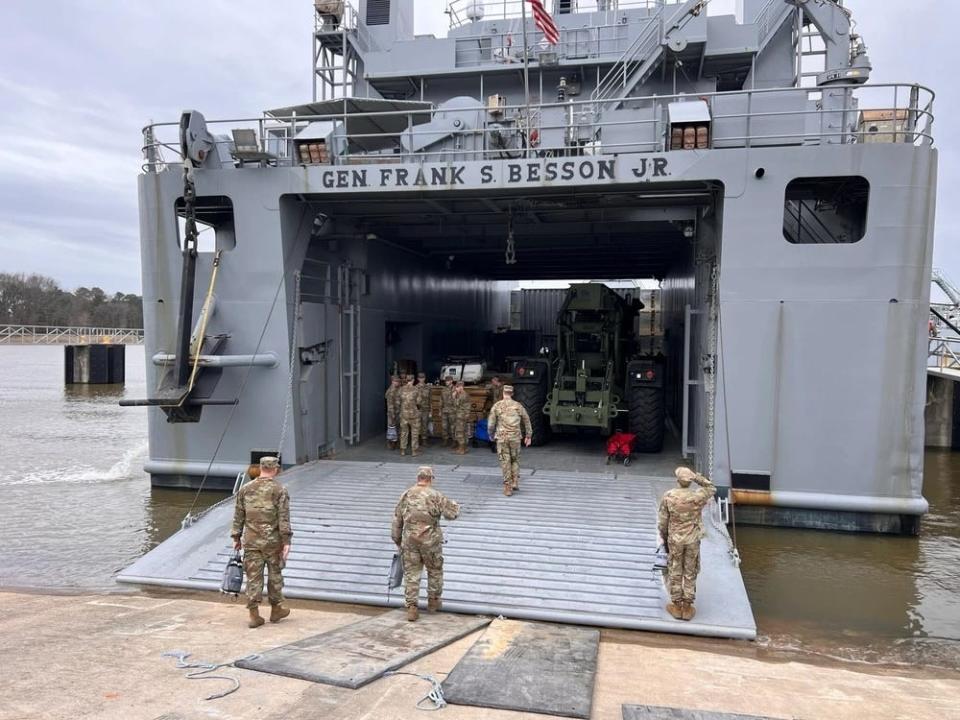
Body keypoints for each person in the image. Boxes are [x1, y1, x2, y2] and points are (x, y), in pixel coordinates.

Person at [391, 466, 461, 621]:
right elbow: (452, 514)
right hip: (431, 542)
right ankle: (433, 602)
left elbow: (397, 519)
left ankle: (412, 608)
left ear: (418, 478)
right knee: (435, 570)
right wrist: (456, 505)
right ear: (430, 479)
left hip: (410, 541)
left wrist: (397, 539)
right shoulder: (436, 495)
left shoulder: (406, 494)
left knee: (411, 574)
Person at [230, 456, 292, 628]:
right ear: (275, 469)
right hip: (273, 543)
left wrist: (236, 537)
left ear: (261, 468)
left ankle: (254, 615)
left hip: (251, 542)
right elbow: (283, 519)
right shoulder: (280, 490)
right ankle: (276, 609)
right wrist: (286, 541)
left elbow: (238, 515)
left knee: (253, 578)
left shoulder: (245, 489)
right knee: (275, 576)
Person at [657, 467, 716, 621]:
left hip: (675, 540)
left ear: (678, 480)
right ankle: (688, 607)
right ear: (689, 482)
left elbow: (663, 522)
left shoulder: (668, 496)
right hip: (692, 539)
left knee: (675, 569)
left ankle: (676, 606)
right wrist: (696, 477)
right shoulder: (698, 497)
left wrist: (664, 537)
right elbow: (711, 488)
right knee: (690, 570)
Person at [487, 385, 532, 496]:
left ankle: (508, 487)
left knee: (505, 461)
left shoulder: (497, 406)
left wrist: (491, 435)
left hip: (502, 438)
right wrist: (528, 435)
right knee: (515, 460)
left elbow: (491, 424)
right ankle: (515, 481)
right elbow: (527, 420)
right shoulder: (518, 406)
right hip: (515, 438)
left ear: (503, 393)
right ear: (512, 394)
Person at [398, 375, 421, 456]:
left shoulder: (401, 389)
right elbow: (419, 402)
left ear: (406, 380)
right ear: (413, 380)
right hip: (414, 415)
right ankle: (414, 451)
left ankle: (403, 450)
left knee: (404, 432)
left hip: (404, 415)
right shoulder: (416, 389)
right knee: (414, 433)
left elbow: (398, 402)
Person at [452, 381, 473, 455]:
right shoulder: (462, 394)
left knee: (460, 432)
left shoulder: (463, 395)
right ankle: (464, 447)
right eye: (456, 387)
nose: (456, 388)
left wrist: (454, 396)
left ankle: (461, 449)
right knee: (463, 431)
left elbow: (456, 404)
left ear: (461, 387)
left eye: (457, 387)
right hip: (461, 415)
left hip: (461, 416)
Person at [384, 376, 401, 450]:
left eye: (398, 381)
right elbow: (390, 404)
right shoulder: (390, 391)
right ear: (392, 381)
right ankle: (390, 444)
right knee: (391, 429)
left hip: (398, 412)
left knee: (397, 428)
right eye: (395, 381)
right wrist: (392, 414)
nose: (397, 382)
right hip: (392, 413)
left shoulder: (399, 389)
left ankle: (396, 443)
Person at [416, 373, 432, 445]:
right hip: (417, 409)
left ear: (424, 378)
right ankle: (417, 439)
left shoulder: (428, 387)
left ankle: (424, 440)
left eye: (422, 378)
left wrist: (431, 411)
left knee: (425, 425)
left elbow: (430, 399)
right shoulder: (415, 387)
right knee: (417, 425)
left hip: (426, 409)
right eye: (420, 378)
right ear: (418, 378)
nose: (421, 379)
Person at [440, 375, 456, 447]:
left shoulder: (455, 389)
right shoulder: (443, 389)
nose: (446, 382)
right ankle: (445, 440)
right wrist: (440, 410)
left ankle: (454, 441)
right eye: (446, 381)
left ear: (451, 381)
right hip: (444, 410)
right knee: (444, 427)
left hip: (452, 411)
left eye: (448, 381)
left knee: (453, 427)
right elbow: (441, 400)